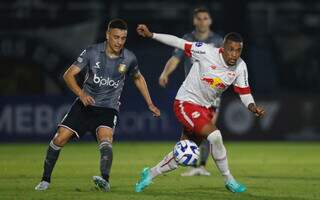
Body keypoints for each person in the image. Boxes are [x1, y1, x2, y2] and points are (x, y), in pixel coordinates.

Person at [135, 24, 265, 193]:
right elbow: (179, 42)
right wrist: (152, 35)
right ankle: (229, 180)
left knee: (184, 153)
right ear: (223, 48)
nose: (234, 54)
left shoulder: (240, 67)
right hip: (186, 103)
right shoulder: (206, 51)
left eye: (238, 50)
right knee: (215, 136)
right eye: (231, 49)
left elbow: (244, 92)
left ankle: (149, 174)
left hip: (206, 108)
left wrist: (252, 107)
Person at [34, 19, 160, 192]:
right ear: (107, 35)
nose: (119, 42)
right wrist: (81, 94)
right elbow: (68, 75)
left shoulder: (129, 58)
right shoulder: (92, 52)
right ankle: (45, 180)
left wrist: (150, 103)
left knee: (106, 141)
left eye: (123, 38)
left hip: (108, 109)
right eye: (116, 37)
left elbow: (138, 78)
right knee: (59, 138)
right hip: (85, 105)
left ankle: (105, 180)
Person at [159, 7, 223, 177]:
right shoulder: (187, 39)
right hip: (192, 94)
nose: (202, 21)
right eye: (199, 18)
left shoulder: (218, 41)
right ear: (194, 21)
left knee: (206, 129)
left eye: (205, 18)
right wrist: (166, 73)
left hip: (211, 94)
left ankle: (200, 165)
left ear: (210, 21)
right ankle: (192, 164)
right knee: (192, 130)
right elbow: (175, 58)